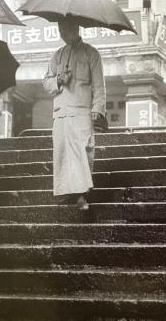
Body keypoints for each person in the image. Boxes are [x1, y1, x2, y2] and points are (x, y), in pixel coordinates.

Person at [43, 17, 106, 211]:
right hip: (61, 112)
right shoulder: (57, 56)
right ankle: (64, 192)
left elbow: (99, 86)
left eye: (67, 28)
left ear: (76, 28)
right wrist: (58, 81)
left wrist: (97, 109)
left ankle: (81, 195)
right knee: (61, 153)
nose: (63, 32)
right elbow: (46, 82)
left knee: (82, 152)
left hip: (81, 112)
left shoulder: (91, 53)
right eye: (60, 29)